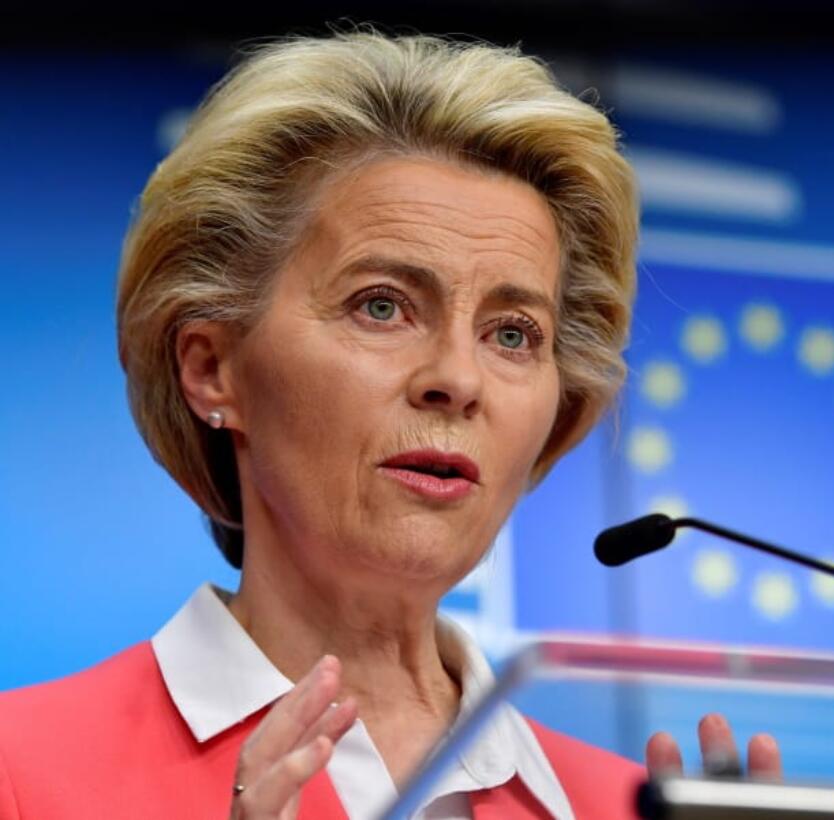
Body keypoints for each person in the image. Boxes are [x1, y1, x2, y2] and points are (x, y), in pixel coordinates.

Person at [0, 31, 780, 819]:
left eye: (512, 333)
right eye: (381, 306)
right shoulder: (21, 772)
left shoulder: (628, 806)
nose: (457, 380)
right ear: (212, 369)